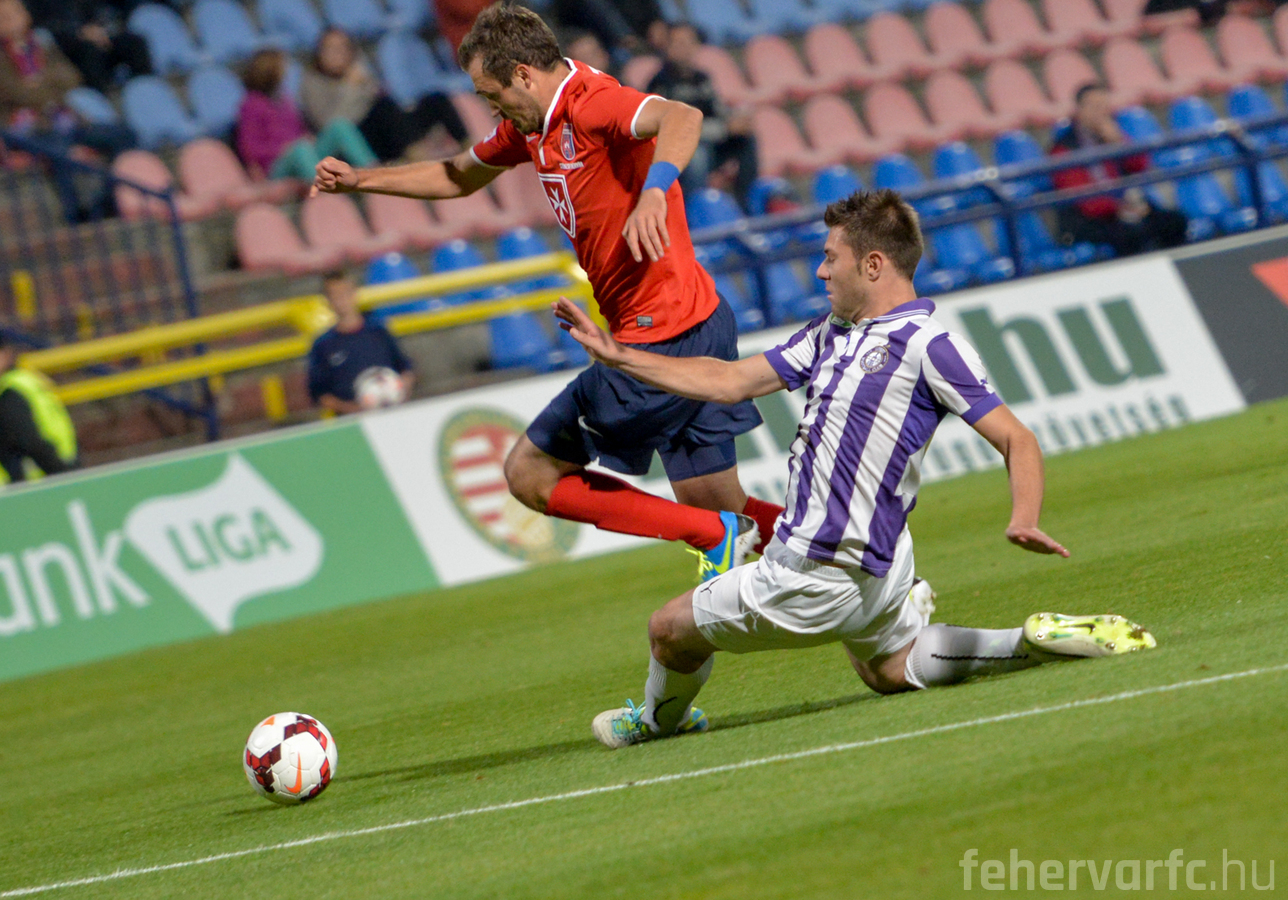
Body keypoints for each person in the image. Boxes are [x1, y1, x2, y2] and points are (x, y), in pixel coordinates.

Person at [550, 189, 1157, 748]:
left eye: (829, 257)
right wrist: (620, 356)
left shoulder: (927, 344)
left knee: (667, 629)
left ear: (872, 265)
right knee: (888, 670)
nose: (820, 271)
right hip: (885, 565)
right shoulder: (832, 332)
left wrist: (1025, 516)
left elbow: (1017, 440)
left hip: (816, 573)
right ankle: (1026, 642)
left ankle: (658, 721)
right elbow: (730, 381)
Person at [313, 2, 785, 582]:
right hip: (700, 319)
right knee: (722, 503)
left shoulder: (592, 103)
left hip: (657, 337)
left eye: (492, 94)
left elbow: (682, 116)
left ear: (523, 74)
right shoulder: (533, 123)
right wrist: (361, 179)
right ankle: (850, 554)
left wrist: (654, 192)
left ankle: (714, 536)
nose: (492, 109)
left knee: (530, 475)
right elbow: (457, 175)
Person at [0, 0, 137, 221]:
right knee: (58, 149)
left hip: (65, 120)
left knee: (122, 134)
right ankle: (76, 213)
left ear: (26, 15)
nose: (10, 19)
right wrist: (45, 87)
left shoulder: (44, 46)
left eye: (14, 12)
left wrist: (37, 83)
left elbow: (71, 79)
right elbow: (15, 94)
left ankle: (109, 201)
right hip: (26, 129)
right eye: (1, 17)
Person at [1050, 83, 1187, 258]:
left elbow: (1139, 166)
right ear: (1080, 110)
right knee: (1131, 235)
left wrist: (1120, 143)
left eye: (1104, 106)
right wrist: (1121, 208)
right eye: (1094, 106)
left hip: (1124, 210)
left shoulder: (1113, 136)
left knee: (1174, 222)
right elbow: (1084, 199)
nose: (1101, 112)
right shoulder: (1063, 149)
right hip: (1090, 220)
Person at [300, 28, 469, 164]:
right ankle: (420, 160)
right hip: (360, 140)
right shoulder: (312, 83)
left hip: (388, 129)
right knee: (384, 109)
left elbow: (377, 93)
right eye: (330, 49)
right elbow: (331, 125)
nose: (338, 54)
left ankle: (471, 150)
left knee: (435, 100)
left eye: (343, 48)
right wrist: (350, 88)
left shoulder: (359, 72)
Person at [648, 22, 758, 203]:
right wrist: (724, 128)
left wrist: (735, 120)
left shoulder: (702, 78)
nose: (685, 48)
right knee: (697, 154)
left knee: (746, 139)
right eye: (678, 43)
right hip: (679, 151)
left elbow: (718, 111)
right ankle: (694, 207)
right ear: (667, 47)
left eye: (690, 42)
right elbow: (676, 129)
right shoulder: (660, 84)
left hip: (710, 140)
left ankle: (746, 203)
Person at [236, 48, 379, 183]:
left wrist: (307, 138)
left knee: (339, 126)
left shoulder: (285, 101)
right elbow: (250, 149)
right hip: (276, 165)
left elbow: (298, 130)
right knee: (300, 150)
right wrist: (284, 148)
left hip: (304, 153)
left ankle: (373, 174)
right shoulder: (251, 104)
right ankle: (326, 190)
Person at [0, 329, 78, 487]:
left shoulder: (9, 394)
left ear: (6, 355)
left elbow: (33, 443)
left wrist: (62, 478)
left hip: (36, 489)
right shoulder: (24, 382)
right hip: (54, 480)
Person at [307, 270, 416, 415]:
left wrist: (399, 391)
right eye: (335, 296)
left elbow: (405, 369)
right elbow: (320, 395)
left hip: (393, 414)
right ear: (327, 301)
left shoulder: (378, 331)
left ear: (354, 294)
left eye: (345, 293)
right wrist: (353, 410)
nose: (341, 300)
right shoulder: (323, 344)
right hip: (353, 422)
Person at [21, 0, 150, 94]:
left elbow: (99, 11)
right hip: (66, 47)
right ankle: (101, 100)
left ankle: (147, 90)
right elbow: (41, 27)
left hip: (96, 35)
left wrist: (101, 30)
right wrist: (79, 32)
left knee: (134, 42)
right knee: (88, 51)